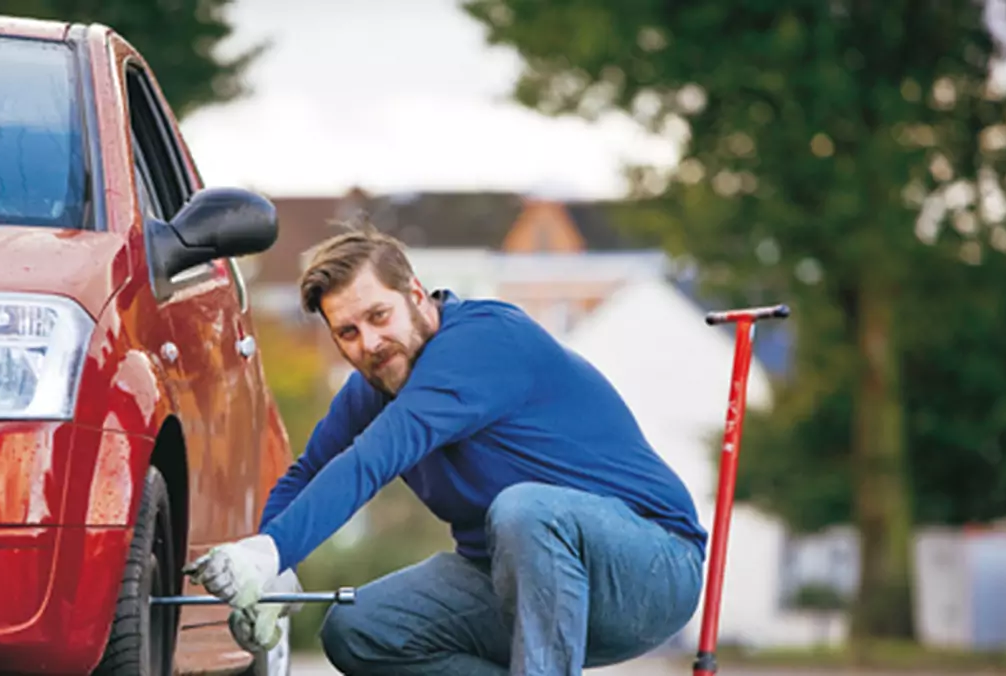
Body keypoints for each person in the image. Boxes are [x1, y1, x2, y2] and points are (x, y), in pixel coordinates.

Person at [185, 224, 706, 675]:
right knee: (359, 629)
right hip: (509, 577)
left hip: (649, 568)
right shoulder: (372, 389)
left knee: (526, 509)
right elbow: (308, 473)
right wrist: (276, 569)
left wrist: (271, 550)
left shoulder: (483, 343)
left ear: (415, 293)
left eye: (379, 316)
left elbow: (374, 458)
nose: (369, 343)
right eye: (348, 331)